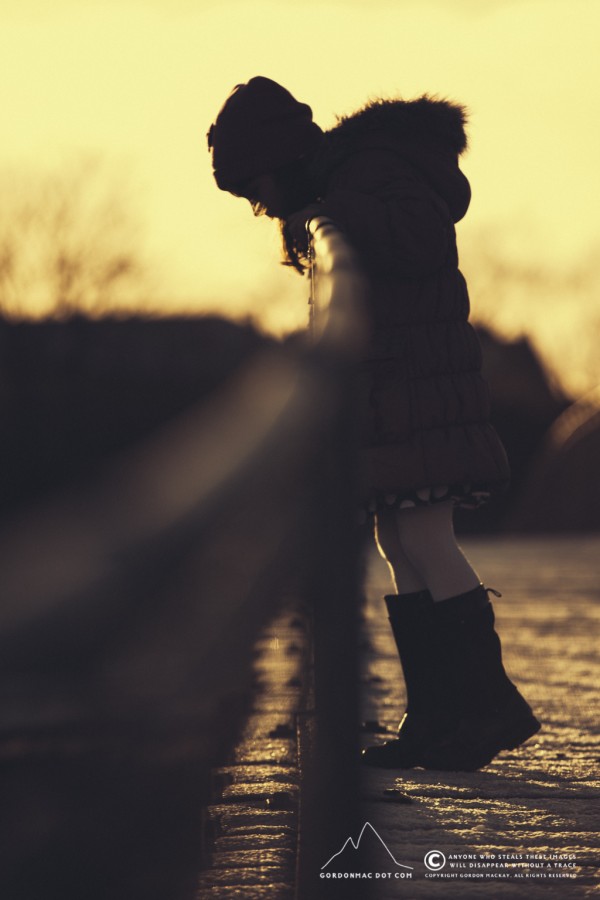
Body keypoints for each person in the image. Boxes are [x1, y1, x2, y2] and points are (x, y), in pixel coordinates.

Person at [207, 76, 540, 771]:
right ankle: (436, 715)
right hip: (400, 393)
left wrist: (336, 211)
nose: (260, 204)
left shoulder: (369, 170)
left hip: (423, 388)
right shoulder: (349, 181)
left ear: (282, 157)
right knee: (399, 538)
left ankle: (486, 706)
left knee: (424, 534)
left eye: (257, 186)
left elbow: (421, 238)